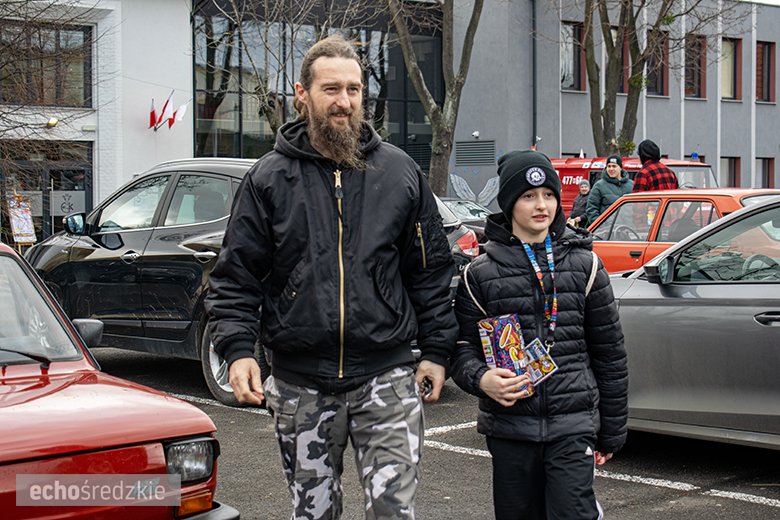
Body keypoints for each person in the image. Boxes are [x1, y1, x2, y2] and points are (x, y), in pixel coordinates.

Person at [204, 36, 457, 520]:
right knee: (313, 513)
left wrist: (438, 352)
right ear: (303, 93)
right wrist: (236, 351)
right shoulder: (268, 179)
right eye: (331, 89)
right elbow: (236, 277)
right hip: (301, 382)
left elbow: (429, 273)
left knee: (392, 511)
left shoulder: (400, 172)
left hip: (386, 377)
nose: (344, 102)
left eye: (354, 90)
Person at [450, 149, 628, 520]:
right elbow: (461, 349)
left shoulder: (587, 266)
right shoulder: (479, 274)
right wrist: (482, 380)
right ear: (509, 203)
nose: (541, 205)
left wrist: (611, 430)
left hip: (573, 424)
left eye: (548, 194)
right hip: (510, 428)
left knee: (572, 513)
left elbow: (610, 354)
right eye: (528, 196)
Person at [586, 154, 633, 223]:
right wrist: (602, 227)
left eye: (614, 166)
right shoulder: (599, 186)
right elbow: (591, 209)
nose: (611, 169)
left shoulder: (631, 185)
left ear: (620, 168)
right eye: (609, 166)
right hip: (608, 232)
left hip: (629, 230)